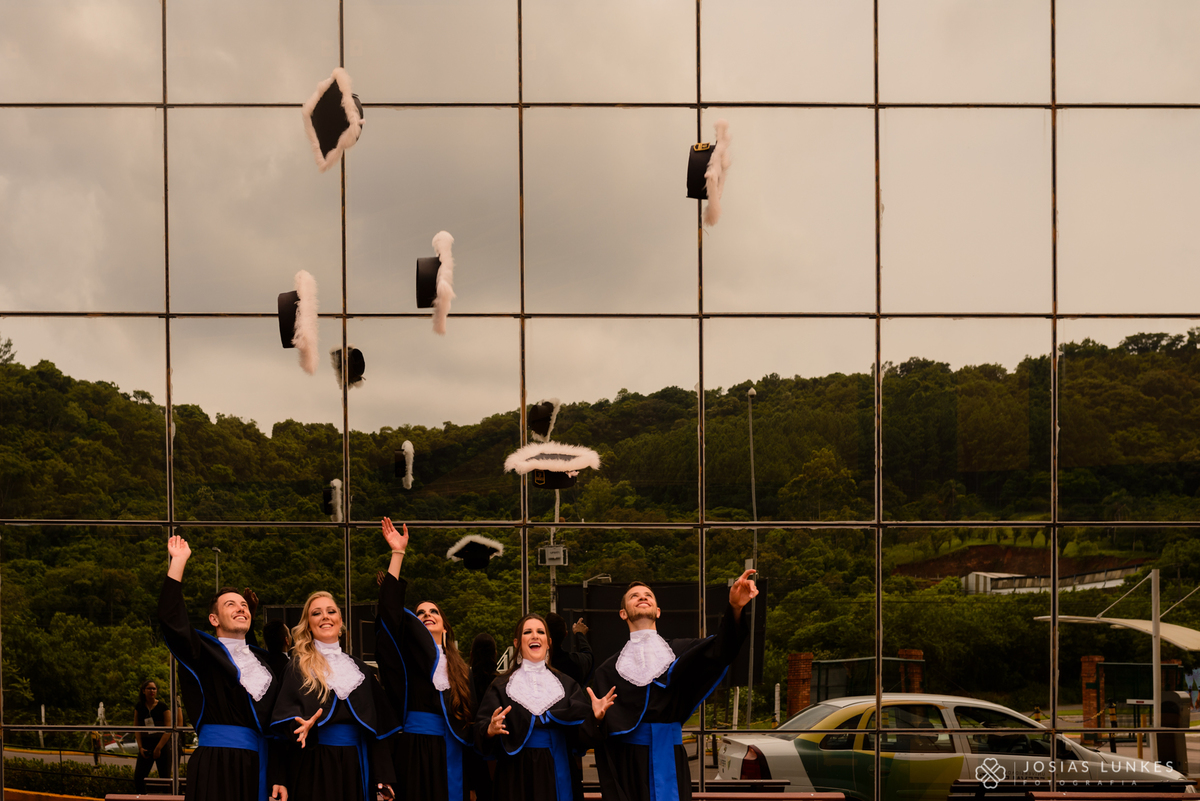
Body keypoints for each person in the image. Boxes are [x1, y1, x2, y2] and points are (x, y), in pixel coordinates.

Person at [589, 572, 758, 801]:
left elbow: (722, 650)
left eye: (648, 595)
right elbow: (591, 732)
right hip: (629, 762)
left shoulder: (681, 652)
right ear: (623, 613)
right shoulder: (607, 671)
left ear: (657, 611)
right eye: (634, 596)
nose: (642, 597)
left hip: (670, 755)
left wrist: (735, 608)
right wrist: (596, 719)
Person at [158, 535, 287, 801]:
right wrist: (179, 561)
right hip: (215, 763)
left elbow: (276, 728)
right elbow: (172, 619)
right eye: (231, 605)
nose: (241, 609)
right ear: (213, 619)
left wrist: (278, 777)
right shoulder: (202, 652)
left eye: (244, 606)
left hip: (258, 765)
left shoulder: (265, 665)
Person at [375, 518, 475, 801]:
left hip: (451, 747)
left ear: (445, 625)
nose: (427, 614)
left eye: (434, 611)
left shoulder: (461, 670)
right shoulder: (409, 658)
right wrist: (398, 553)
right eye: (420, 612)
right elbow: (390, 613)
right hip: (413, 747)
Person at [270, 591, 396, 801]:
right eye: (316, 613)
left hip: (357, 764)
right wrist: (300, 728)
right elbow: (283, 727)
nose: (325, 616)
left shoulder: (361, 671)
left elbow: (377, 729)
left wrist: (383, 776)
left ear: (340, 621)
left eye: (331, 611)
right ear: (308, 625)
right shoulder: (297, 668)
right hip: (313, 762)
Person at [476, 614, 616, 801]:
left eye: (540, 632)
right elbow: (479, 728)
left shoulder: (567, 685)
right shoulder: (500, 686)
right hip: (514, 772)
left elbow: (583, 736)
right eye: (528, 632)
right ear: (517, 642)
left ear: (548, 642)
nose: (535, 636)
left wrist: (595, 718)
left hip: (559, 770)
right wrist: (489, 729)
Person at [467, 633, 499, 801]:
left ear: (472, 655)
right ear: (495, 654)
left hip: (471, 750)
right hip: (497, 751)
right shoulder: (502, 682)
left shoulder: (465, 681)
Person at [133, 679, 173, 793]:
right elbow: (136, 728)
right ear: (143, 691)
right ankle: (142, 797)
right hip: (145, 746)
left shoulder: (163, 707)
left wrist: (158, 748)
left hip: (162, 746)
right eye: (149, 688)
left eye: (154, 688)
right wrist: (140, 747)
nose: (152, 691)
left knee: (165, 778)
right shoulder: (139, 706)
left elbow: (168, 730)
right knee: (138, 778)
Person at [545, 614, 593, 686]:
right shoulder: (574, 662)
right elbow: (588, 655)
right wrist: (579, 634)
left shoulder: (534, 664)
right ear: (565, 634)